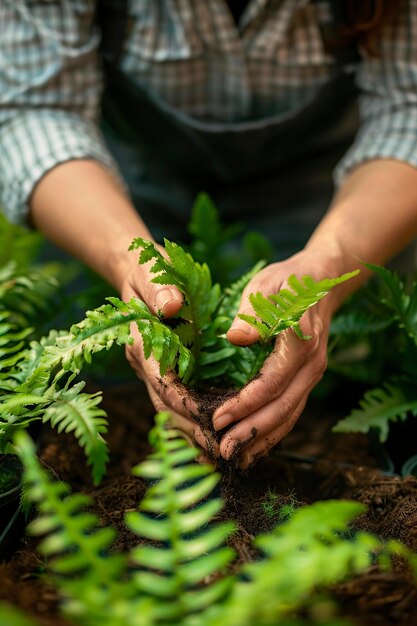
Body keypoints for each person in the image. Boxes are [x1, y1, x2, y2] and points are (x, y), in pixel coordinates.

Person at [1, 0, 417, 468]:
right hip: (111, 198)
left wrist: (330, 264)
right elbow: (36, 109)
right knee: (86, 415)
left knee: (344, 399)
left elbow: (410, 111)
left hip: (343, 204)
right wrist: (124, 258)